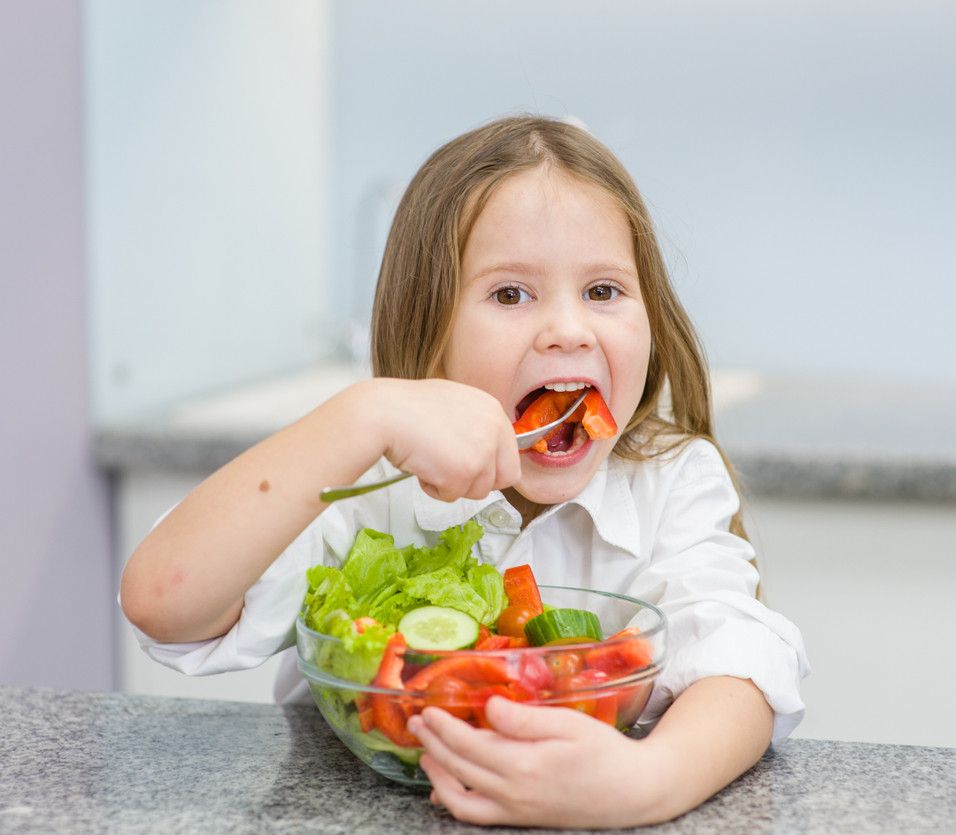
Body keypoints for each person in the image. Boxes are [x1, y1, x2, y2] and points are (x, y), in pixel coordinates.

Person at [120, 114, 809, 828]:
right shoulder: (369, 486)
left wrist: (645, 781)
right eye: (510, 294)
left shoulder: (672, 480)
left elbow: (744, 662)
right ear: (431, 333)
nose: (568, 328)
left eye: (603, 290)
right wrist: (361, 417)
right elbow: (163, 600)